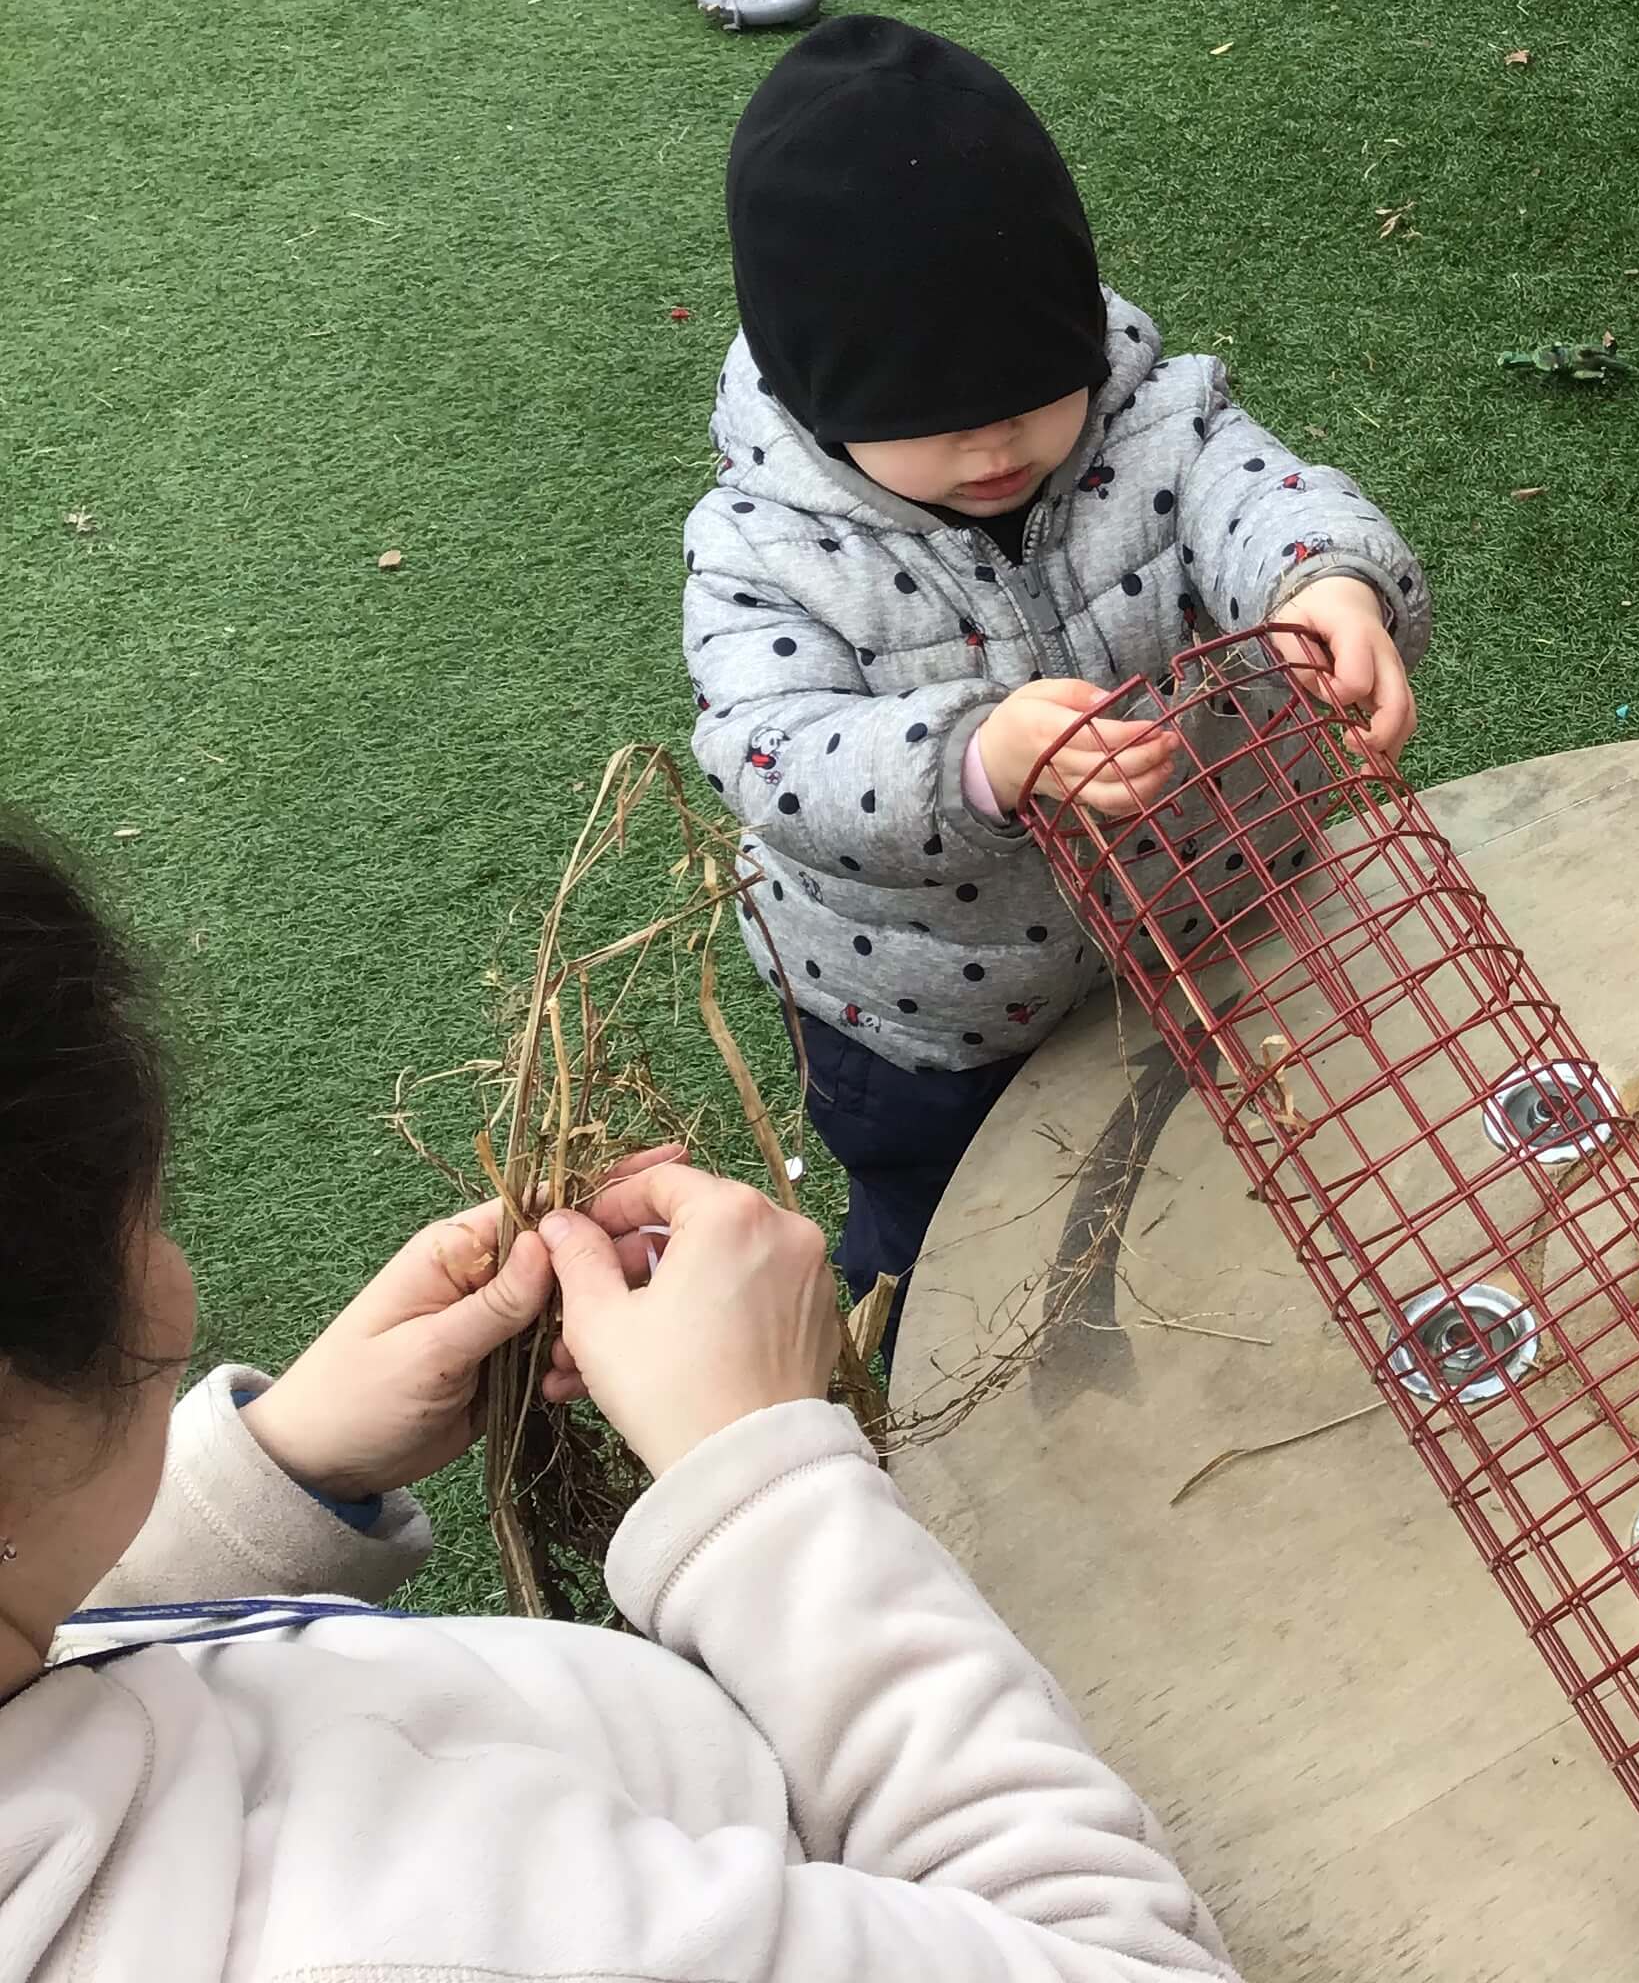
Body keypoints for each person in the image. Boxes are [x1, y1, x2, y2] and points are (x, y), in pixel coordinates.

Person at [0, 829, 1240, 1981]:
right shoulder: (435, 1937)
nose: (173, 1278)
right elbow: (1126, 1957)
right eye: (144, 1222)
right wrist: (761, 1483)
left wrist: (266, 1483)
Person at [685, 17, 1432, 1309]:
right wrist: (972, 759)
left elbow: (1263, 501)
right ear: (818, 405)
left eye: (1033, 395)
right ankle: (923, 1348)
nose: (994, 448)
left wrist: (1331, 586)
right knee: (957, 1257)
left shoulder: (1156, 418)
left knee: (1227, 1199)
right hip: (931, 1021)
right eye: (930, 423)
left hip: (1220, 917)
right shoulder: (765, 545)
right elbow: (774, 755)